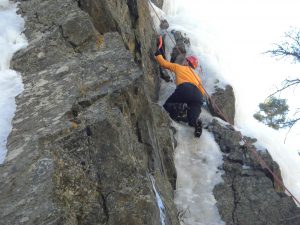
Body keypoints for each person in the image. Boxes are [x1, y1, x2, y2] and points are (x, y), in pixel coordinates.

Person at [155, 48, 204, 137]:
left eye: (185, 60)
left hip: (186, 88)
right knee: (191, 121)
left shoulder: (179, 67)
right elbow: (202, 92)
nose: (183, 61)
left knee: (167, 105)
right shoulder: (197, 76)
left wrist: (158, 54)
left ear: (187, 62)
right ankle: (196, 123)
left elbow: (164, 64)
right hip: (198, 96)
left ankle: (180, 106)